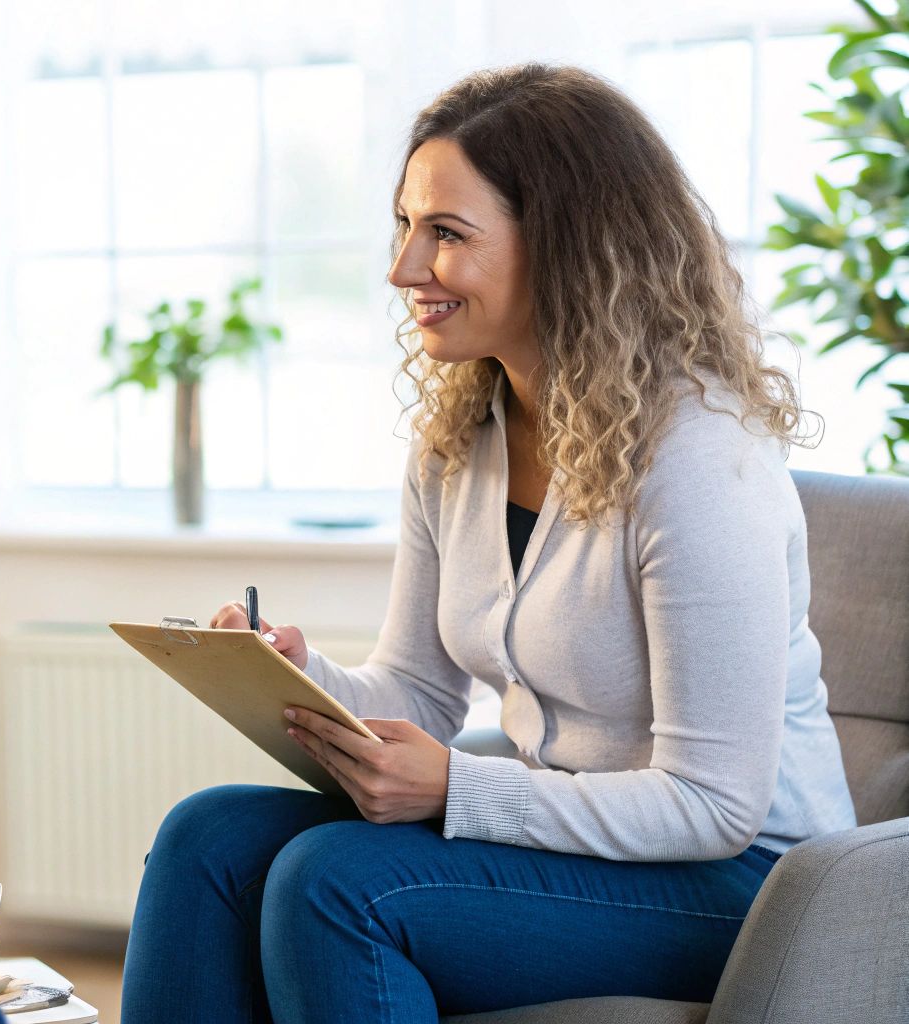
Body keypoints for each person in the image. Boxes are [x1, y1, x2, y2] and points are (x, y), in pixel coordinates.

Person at [121, 63, 858, 1023]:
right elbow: (419, 692)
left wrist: (461, 791)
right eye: (405, 227)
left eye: (447, 234)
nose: (403, 269)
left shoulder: (698, 460)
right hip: (580, 837)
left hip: (747, 885)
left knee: (334, 881)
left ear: (567, 248)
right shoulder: (462, 439)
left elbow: (713, 805)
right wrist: (302, 683)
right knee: (205, 837)